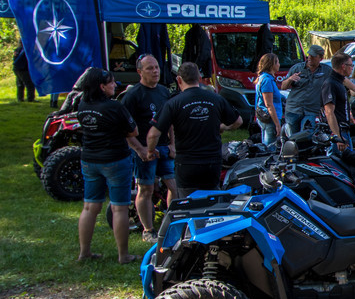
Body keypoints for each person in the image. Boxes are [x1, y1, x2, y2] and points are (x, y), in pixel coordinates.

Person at [75, 67, 148, 264]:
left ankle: (84, 252)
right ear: (102, 86)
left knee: (89, 207)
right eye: (112, 82)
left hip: (90, 159)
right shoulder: (114, 107)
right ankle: (123, 255)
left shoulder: (83, 104)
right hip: (115, 160)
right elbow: (133, 131)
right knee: (119, 208)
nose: (115, 85)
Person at [149, 62, 241, 198]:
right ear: (199, 78)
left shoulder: (173, 103)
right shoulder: (215, 98)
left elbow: (153, 134)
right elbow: (238, 121)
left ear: (179, 80)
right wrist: (222, 127)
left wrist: (150, 151)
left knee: (188, 202)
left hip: (187, 164)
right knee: (212, 200)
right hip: (212, 163)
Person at [122, 54, 178, 243]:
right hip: (144, 150)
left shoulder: (163, 92)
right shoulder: (133, 96)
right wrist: (140, 150)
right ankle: (148, 230)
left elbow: (170, 121)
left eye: (156, 67)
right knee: (145, 189)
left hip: (164, 147)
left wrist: (172, 144)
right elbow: (124, 129)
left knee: (173, 186)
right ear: (140, 72)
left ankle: (172, 223)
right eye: (150, 68)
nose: (155, 71)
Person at [280, 44, 328, 136]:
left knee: (307, 136)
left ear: (320, 58)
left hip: (311, 110)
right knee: (292, 138)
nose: (310, 58)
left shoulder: (326, 71)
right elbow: (283, 86)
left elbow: (341, 80)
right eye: (309, 55)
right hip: (293, 109)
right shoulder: (297, 68)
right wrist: (290, 79)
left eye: (313, 56)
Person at [322, 53, 355, 149]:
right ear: (343, 66)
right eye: (351, 65)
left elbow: (340, 104)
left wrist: (347, 113)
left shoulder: (339, 82)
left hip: (344, 129)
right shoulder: (330, 83)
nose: (352, 68)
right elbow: (329, 112)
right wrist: (337, 137)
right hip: (337, 132)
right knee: (338, 158)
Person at [255, 52, 283, 145]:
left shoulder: (267, 78)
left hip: (268, 117)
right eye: (277, 62)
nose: (279, 64)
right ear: (271, 65)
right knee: (270, 146)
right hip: (270, 118)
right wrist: (277, 124)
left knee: (267, 143)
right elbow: (269, 104)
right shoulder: (266, 80)